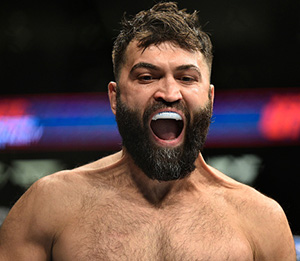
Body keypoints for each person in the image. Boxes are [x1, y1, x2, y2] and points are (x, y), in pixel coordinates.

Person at [0, 2, 296, 260]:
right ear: (115, 97)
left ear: (210, 97)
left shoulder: (261, 220)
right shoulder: (49, 206)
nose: (169, 92)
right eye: (146, 77)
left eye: (186, 77)